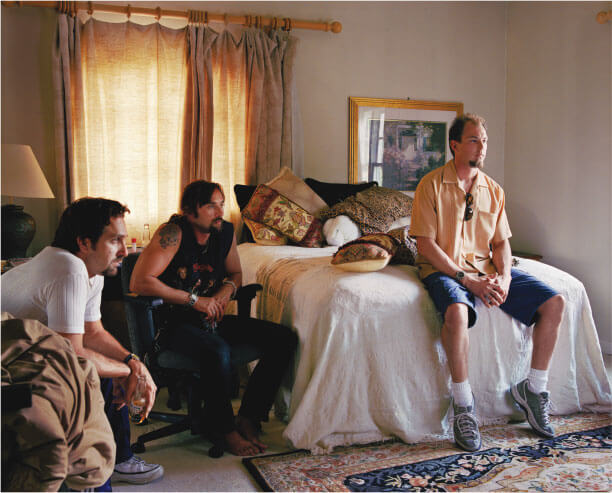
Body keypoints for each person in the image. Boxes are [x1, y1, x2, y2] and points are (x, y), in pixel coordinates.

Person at [409, 114, 565, 452]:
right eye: (474, 140)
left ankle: (534, 389)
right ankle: (464, 404)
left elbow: (501, 244)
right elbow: (425, 245)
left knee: (555, 303)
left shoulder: (493, 190)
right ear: (454, 145)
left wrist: (505, 278)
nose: (482, 147)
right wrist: (468, 281)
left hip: (486, 269)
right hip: (446, 270)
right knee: (457, 313)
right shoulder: (430, 185)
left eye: (484, 141)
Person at [1, 198, 164, 488]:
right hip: (8, 356)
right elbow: (73, 356)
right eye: (114, 240)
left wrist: (132, 361)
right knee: (90, 378)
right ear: (84, 242)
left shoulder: (92, 271)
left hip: (30, 349)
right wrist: (129, 372)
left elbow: (92, 332)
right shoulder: (68, 268)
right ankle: (98, 475)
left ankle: (118, 458)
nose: (125, 251)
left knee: (109, 371)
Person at [130, 180, 298, 456]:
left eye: (221, 204)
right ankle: (224, 429)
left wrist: (224, 293)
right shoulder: (173, 233)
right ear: (189, 211)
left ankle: (249, 416)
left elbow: (236, 274)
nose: (220, 212)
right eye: (211, 206)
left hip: (211, 321)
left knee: (283, 338)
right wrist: (195, 301)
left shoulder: (224, 232)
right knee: (217, 350)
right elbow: (139, 281)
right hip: (173, 325)